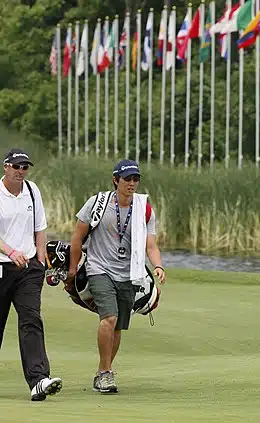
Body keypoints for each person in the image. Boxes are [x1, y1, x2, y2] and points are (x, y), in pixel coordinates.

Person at [68, 159, 165, 394]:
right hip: (99, 269)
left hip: (129, 273)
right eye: (127, 179)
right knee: (109, 318)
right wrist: (72, 271)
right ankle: (104, 374)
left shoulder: (144, 208)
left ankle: (104, 371)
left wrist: (158, 266)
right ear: (115, 180)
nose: (132, 183)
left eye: (135, 179)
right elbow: (77, 238)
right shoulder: (98, 203)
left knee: (118, 326)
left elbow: (150, 245)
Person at [0, 148, 62, 401]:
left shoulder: (32, 191)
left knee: (31, 321)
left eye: (24, 167)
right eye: (16, 167)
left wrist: (40, 260)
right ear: (6, 167)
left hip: (28, 270)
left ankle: (39, 380)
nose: (21, 172)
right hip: (1, 266)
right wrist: (11, 251)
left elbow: (40, 228)